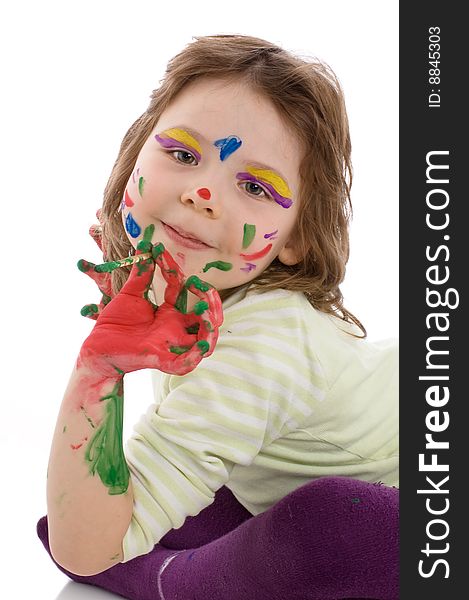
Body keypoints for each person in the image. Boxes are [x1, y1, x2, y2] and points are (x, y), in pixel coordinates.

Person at [38, 34, 399, 599]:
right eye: (182, 154)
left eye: (256, 187)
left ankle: (168, 579)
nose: (203, 190)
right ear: (136, 154)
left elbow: (84, 545)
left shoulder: (261, 346)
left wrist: (99, 370)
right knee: (212, 496)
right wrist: (101, 366)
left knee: (335, 522)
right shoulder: (188, 294)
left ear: (298, 237)